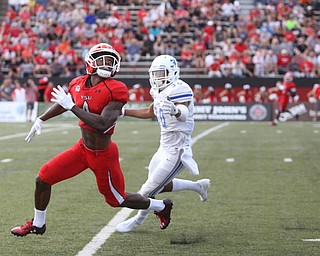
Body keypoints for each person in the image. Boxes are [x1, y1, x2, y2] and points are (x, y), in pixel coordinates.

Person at [11, 43, 173, 237]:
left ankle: (161, 206)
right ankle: (38, 224)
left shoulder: (116, 88)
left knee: (116, 200)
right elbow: (66, 104)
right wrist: (41, 118)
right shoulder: (77, 83)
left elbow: (103, 124)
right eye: (102, 59)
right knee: (43, 178)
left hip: (103, 154)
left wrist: (72, 107)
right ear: (90, 62)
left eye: (110, 60)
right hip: (82, 150)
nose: (107, 63)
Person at [115, 55, 210, 233]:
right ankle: (199, 186)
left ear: (173, 72)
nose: (158, 77)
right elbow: (150, 111)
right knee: (162, 185)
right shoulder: (157, 91)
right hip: (163, 147)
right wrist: (124, 112)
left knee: (146, 191)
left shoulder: (180, 89)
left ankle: (137, 220)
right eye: (155, 73)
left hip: (178, 150)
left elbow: (183, 111)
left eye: (162, 73)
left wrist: (175, 110)